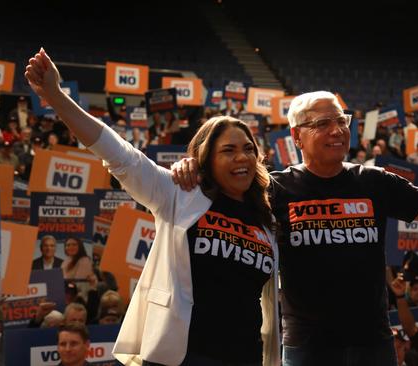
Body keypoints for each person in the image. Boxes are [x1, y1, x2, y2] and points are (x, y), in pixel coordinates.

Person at [172, 90, 418, 365]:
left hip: (373, 346)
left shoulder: (374, 182)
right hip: (307, 349)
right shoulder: (273, 190)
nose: (336, 130)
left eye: (341, 120)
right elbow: (224, 180)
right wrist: (192, 169)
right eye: (322, 123)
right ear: (297, 136)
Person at [25, 49, 280, 366]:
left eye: (248, 149)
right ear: (206, 159)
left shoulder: (267, 215)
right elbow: (120, 155)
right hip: (180, 355)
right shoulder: (180, 194)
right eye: (228, 150)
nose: (241, 157)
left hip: (245, 356)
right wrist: (56, 96)